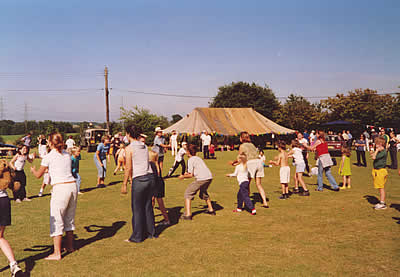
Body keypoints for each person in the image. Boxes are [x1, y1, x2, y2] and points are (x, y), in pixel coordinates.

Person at [30, 133, 78, 260]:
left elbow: (38, 175)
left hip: (61, 188)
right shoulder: (67, 154)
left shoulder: (48, 156)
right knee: (69, 218)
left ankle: (57, 253)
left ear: (50, 143)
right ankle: (70, 246)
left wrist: (33, 170)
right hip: (72, 186)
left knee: (57, 219)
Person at [122, 125, 156, 242]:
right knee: (147, 207)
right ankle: (151, 232)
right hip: (150, 177)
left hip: (140, 179)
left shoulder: (129, 148)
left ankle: (137, 237)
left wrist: (124, 184)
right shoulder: (144, 146)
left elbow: (128, 168)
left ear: (128, 134)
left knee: (137, 208)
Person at [179, 144, 215, 220]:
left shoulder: (190, 160)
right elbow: (195, 170)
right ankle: (211, 210)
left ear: (188, 152)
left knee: (188, 193)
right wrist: (186, 173)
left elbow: (190, 175)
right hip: (209, 177)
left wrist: (183, 176)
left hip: (201, 179)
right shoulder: (198, 158)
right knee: (203, 193)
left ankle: (188, 215)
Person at [234, 132, 269, 208]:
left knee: (247, 184)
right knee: (259, 184)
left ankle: (246, 203)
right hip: (259, 163)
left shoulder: (242, 146)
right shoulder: (252, 145)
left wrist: (234, 163)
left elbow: (239, 157)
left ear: (241, 138)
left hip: (251, 163)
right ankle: (265, 202)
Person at [149, 151, 170, 225]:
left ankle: (165, 219)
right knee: (156, 201)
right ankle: (165, 219)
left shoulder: (151, 165)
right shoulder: (157, 164)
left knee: (155, 201)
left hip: (155, 184)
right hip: (159, 184)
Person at [370, 137, 388, 210]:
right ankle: (381, 202)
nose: (375, 144)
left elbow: (374, 157)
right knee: (379, 187)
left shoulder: (383, 152)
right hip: (377, 170)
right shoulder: (380, 151)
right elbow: (372, 156)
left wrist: (376, 150)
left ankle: (382, 203)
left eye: (376, 143)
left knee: (381, 188)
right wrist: (374, 151)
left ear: (380, 144)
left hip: (381, 171)